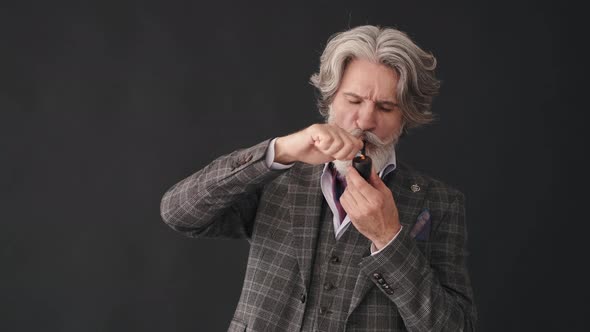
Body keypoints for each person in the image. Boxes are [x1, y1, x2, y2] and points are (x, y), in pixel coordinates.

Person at [160, 25, 477, 332]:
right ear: (330, 99)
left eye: (385, 107)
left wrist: (388, 238)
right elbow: (179, 213)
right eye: (353, 100)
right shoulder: (276, 175)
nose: (366, 120)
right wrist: (279, 151)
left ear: (405, 116)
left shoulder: (439, 203)